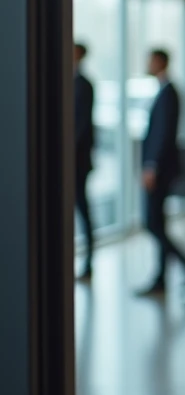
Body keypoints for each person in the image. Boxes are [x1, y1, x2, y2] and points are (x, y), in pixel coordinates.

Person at [137, 49, 185, 296]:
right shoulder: (165, 91)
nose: (147, 64)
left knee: (153, 223)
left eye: (150, 60)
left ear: (160, 62)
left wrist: (151, 166)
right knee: (157, 223)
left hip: (160, 170)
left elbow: (163, 134)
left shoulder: (169, 93)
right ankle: (162, 279)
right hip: (161, 169)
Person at [74, 43, 96, 281]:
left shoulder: (83, 85)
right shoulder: (71, 82)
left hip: (78, 163)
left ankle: (88, 261)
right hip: (76, 161)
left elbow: (80, 127)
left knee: (82, 210)